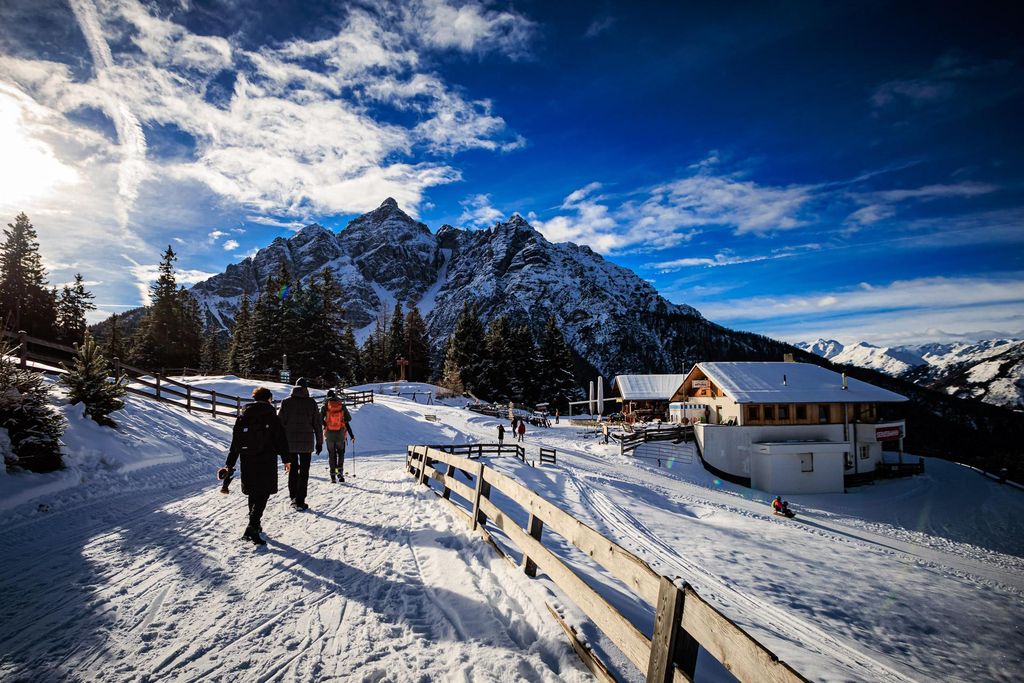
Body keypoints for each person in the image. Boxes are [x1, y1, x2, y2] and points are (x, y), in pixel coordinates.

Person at [220, 387, 289, 545]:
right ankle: (252, 525)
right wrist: (286, 459)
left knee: (253, 491)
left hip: (247, 459)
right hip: (266, 458)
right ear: (269, 399)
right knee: (263, 492)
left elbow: (235, 442)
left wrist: (229, 464)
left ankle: (255, 525)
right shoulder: (270, 414)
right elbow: (280, 438)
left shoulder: (244, 415)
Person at [278, 377, 323, 510]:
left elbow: (280, 423)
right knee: (304, 471)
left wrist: (280, 442)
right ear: (306, 388)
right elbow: (317, 424)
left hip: (290, 442)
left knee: (292, 470)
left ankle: (293, 497)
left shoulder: (286, 402)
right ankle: (301, 500)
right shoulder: (311, 403)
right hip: (306, 443)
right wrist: (319, 442)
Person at [321, 389, 354, 483]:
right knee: (341, 453)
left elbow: (319, 419)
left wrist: (326, 424)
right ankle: (340, 473)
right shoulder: (341, 405)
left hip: (329, 435)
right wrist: (351, 435)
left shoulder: (325, 406)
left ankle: (333, 476)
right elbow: (348, 419)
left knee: (331, 455)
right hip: (340, 434)